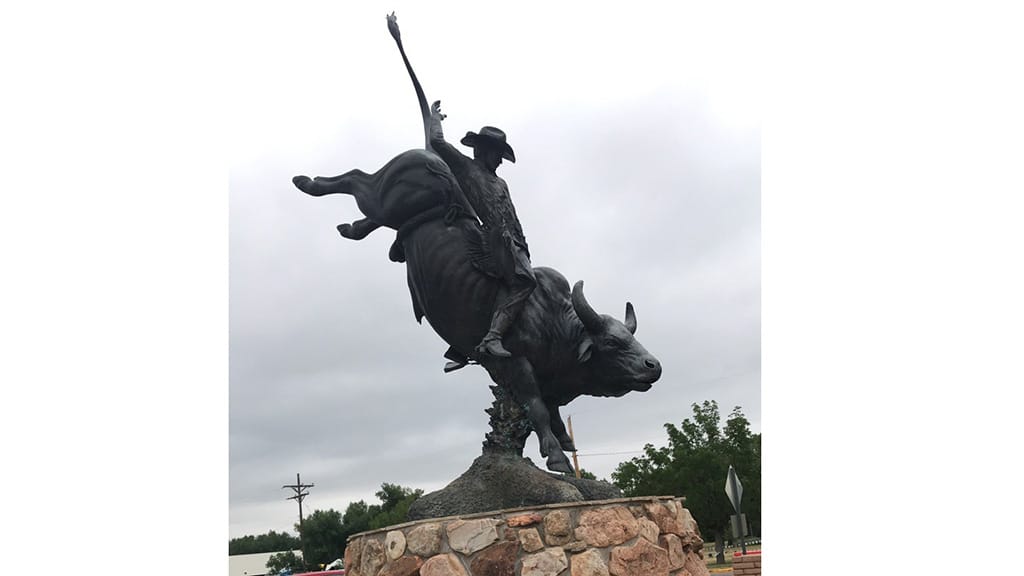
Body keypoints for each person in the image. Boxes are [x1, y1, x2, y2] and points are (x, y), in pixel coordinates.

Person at [428, 101, 536, 359]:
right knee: (526, 283)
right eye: (497, 153)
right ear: (484, 150)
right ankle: (492, 337)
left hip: (513, 242)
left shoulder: (501, 183)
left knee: (502, 287)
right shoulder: (467, 168)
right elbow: (438, 144)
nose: (499, 159)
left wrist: (523, 246)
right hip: (495, 238)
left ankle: (462, 343)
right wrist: (435, 119)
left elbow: (513, 216)